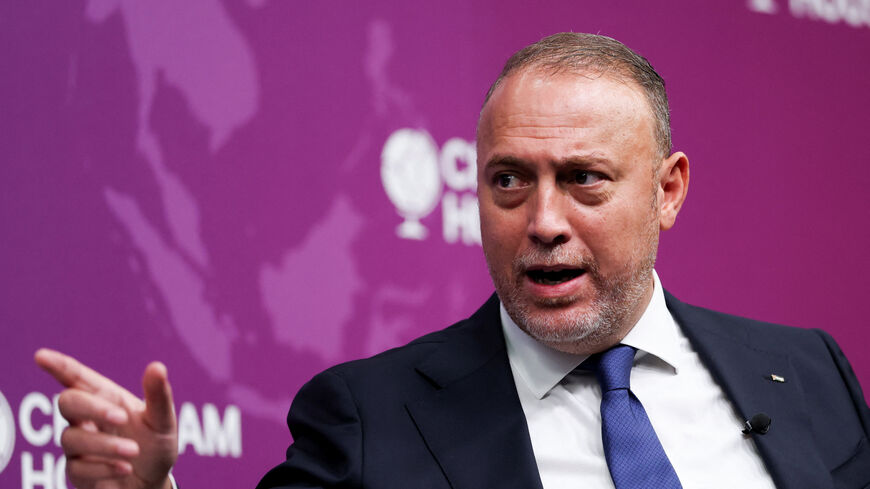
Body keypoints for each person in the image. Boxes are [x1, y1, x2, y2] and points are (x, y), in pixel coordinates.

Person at [36, 33, 870, 489]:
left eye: (584, 180)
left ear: (668, 190)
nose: (542, 222)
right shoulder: (368, 418)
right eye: (509, 181)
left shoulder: (809, 372)